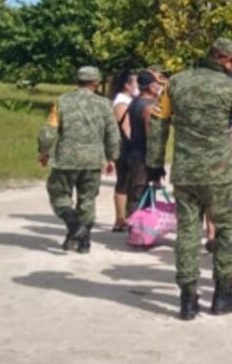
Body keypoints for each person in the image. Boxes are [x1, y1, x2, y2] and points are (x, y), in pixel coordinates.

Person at [147, 39, 232, 321]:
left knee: (187, 234)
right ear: (226, 59)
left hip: (186, 174)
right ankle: (222, 296)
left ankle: (188, 300)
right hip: (221, 175)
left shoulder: (175, 83)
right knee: (227, 232)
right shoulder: (230, 88)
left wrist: (154, 163)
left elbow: (158, 123)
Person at [37, 66, 121, 253]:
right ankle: (84, 243)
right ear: (96, 83)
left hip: (65, 159)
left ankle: (74, 227)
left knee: (59, 195)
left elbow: (49, 130)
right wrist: (112, 158)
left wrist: (44, 151)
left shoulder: (62, 101)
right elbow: (112, 134)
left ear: (77, 81)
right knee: (88, 199)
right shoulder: (105, 104)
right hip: (93, 160)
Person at [122, 71, 160, 219]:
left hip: (133, 152)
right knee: (141, 194)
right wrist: (155, 164)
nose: (160, 87)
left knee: (136, 193)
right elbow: (152, 137)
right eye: (158, 84)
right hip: (143, 156)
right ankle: (138, 231)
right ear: (151, 86)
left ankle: (138, 229)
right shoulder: (149, 107)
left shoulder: (135, 102)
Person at [110, 71, 139, 232]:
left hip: (129, 146)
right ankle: (120, 218)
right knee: (124, 182)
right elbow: (126, 126)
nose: (138, 87)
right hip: (125, 147)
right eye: (135, 83)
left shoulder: (131, 100)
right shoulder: (121, 102)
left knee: (130, 182)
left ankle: (128, 217)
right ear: (127, 85)